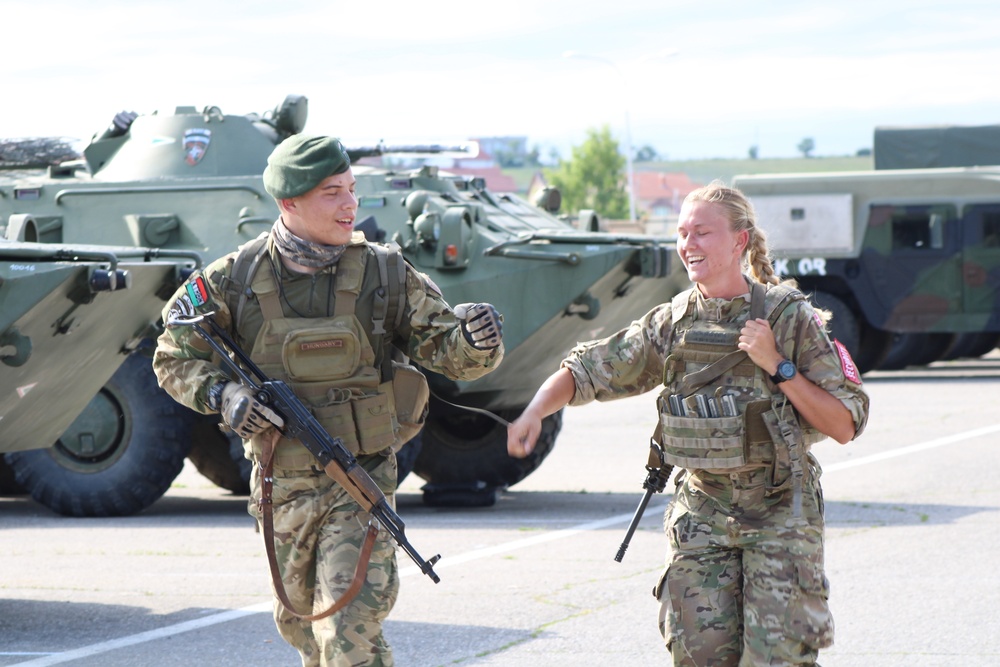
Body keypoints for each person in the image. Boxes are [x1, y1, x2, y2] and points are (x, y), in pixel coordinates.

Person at [153, 133, 504, 667]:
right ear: (289, 202)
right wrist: (224, 396)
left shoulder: (385, 272)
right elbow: (170, 357)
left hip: (361, 482)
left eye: (352, 189)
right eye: (332, 193)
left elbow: (448, 353)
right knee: (303, 629)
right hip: (280, 486)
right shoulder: (232, 280)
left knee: (346, 630)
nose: (350, 205)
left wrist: (478, 341)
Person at [507, 181, 869, 666]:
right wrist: (534, 411)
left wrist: (778, 365)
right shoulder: (672, 322)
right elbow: (587, 370)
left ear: (740, 241)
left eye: (702, 232)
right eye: (682, 233)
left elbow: (845, 423)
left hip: (781, 512)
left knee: (778, 659)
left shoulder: (790, 319)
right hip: (703, 512)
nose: (688, 244)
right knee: (697, 657)